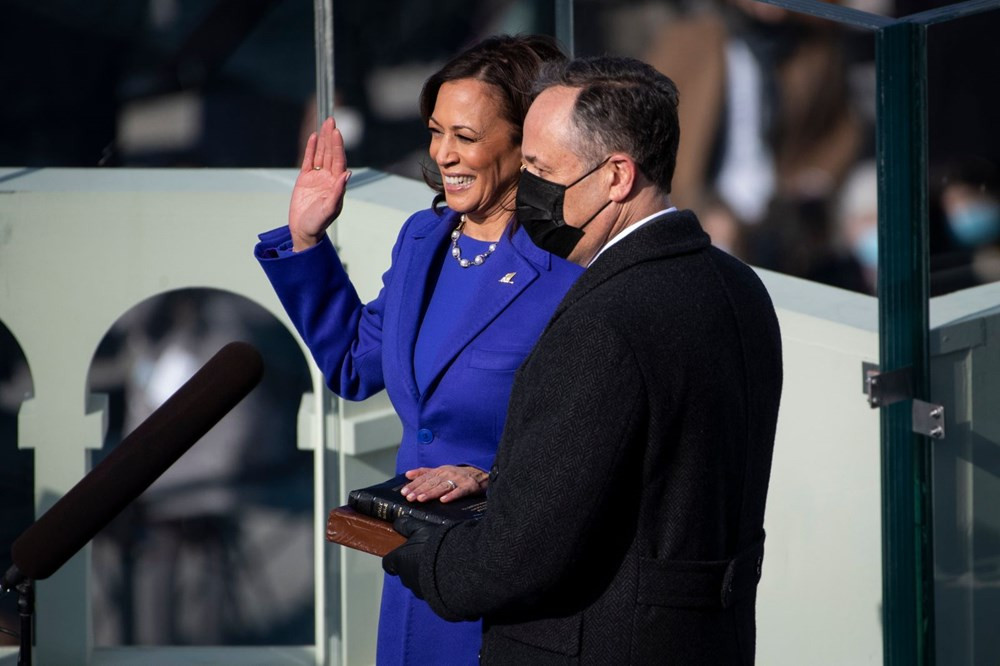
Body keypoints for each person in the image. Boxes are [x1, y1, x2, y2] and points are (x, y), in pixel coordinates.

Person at [383, 56, 783, 664]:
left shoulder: (601, 323)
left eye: (541, 170)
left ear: (617, 175)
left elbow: (518, 555)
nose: (529, 190)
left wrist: (415, 551)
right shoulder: (738, 286)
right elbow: (650, 475)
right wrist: (499, 480)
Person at [254, 35, 582, 664]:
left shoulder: (566, 266)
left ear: (524, 144)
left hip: (506, 579)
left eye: (465, 136)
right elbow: (354, 363)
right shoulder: (424, 237)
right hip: (416, 575)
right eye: (435, 132)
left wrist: (490, 477)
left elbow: (586, 435)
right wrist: (305, 238)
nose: (442, 154)